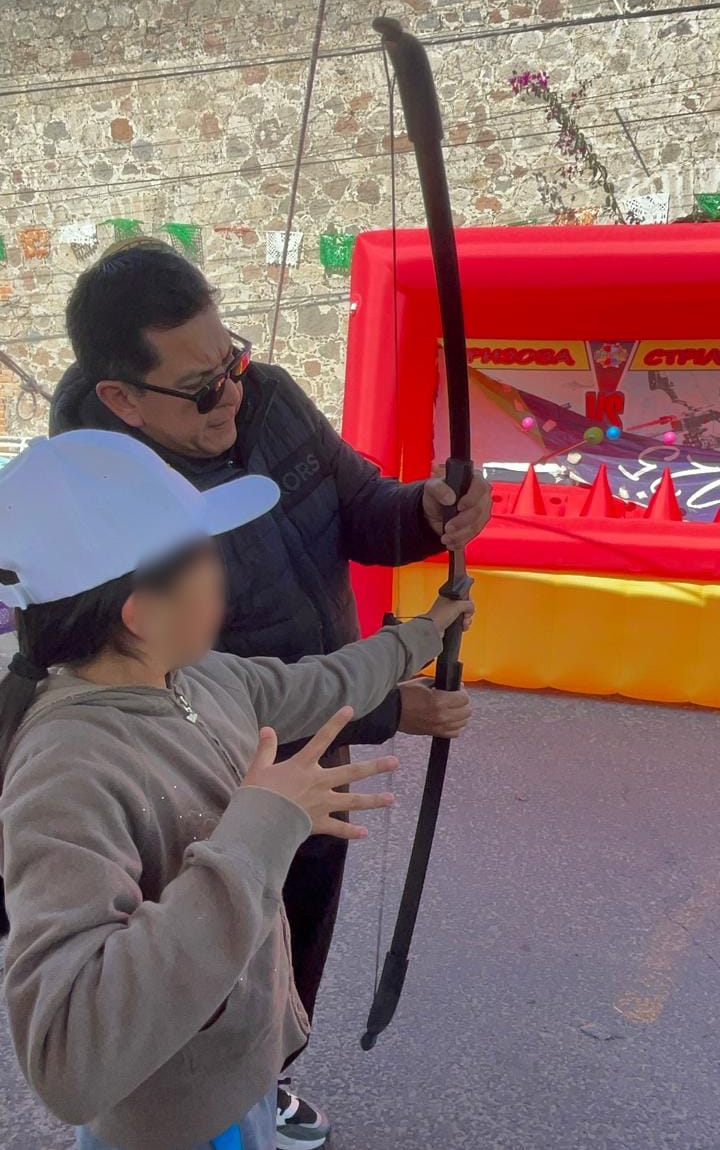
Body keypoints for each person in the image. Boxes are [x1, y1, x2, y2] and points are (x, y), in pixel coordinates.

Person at [50, 239, 492, 1145]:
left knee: (298, 930)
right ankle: (210, 1103)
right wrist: (387, 705)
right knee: (219, 939)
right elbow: (178, 683)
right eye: (200, 387)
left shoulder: (268, 398)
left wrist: (426, 512)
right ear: (122, 398)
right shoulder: (95, 489)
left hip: (315, 736)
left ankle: (267, 1080)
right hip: (211, 773)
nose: (231, 396)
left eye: (233, 362)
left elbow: (362, 507)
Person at [0, 429, 473, 1150]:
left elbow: (324, 683)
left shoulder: (201, 676)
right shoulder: (68, 768)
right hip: (175, 1123)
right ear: (141, 611)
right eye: (207, 556)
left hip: (239, 1072)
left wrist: (424, 633)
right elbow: (69, 1058)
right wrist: (261, 830)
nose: (224, 573)